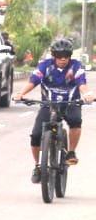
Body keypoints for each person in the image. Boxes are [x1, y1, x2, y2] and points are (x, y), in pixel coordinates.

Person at [16, 36, 88, 179]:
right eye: (60, 56)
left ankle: (71, 152)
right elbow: (34, 80)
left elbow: (82, 83)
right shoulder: (45, 65)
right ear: (54, 56)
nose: (63, 59)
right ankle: (37, 166)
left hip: (70, 103)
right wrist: (21, 93)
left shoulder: (76, 66)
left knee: (76, 121)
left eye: (66, 56)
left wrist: (88, 94)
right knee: (36, 135)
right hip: (49, 104)